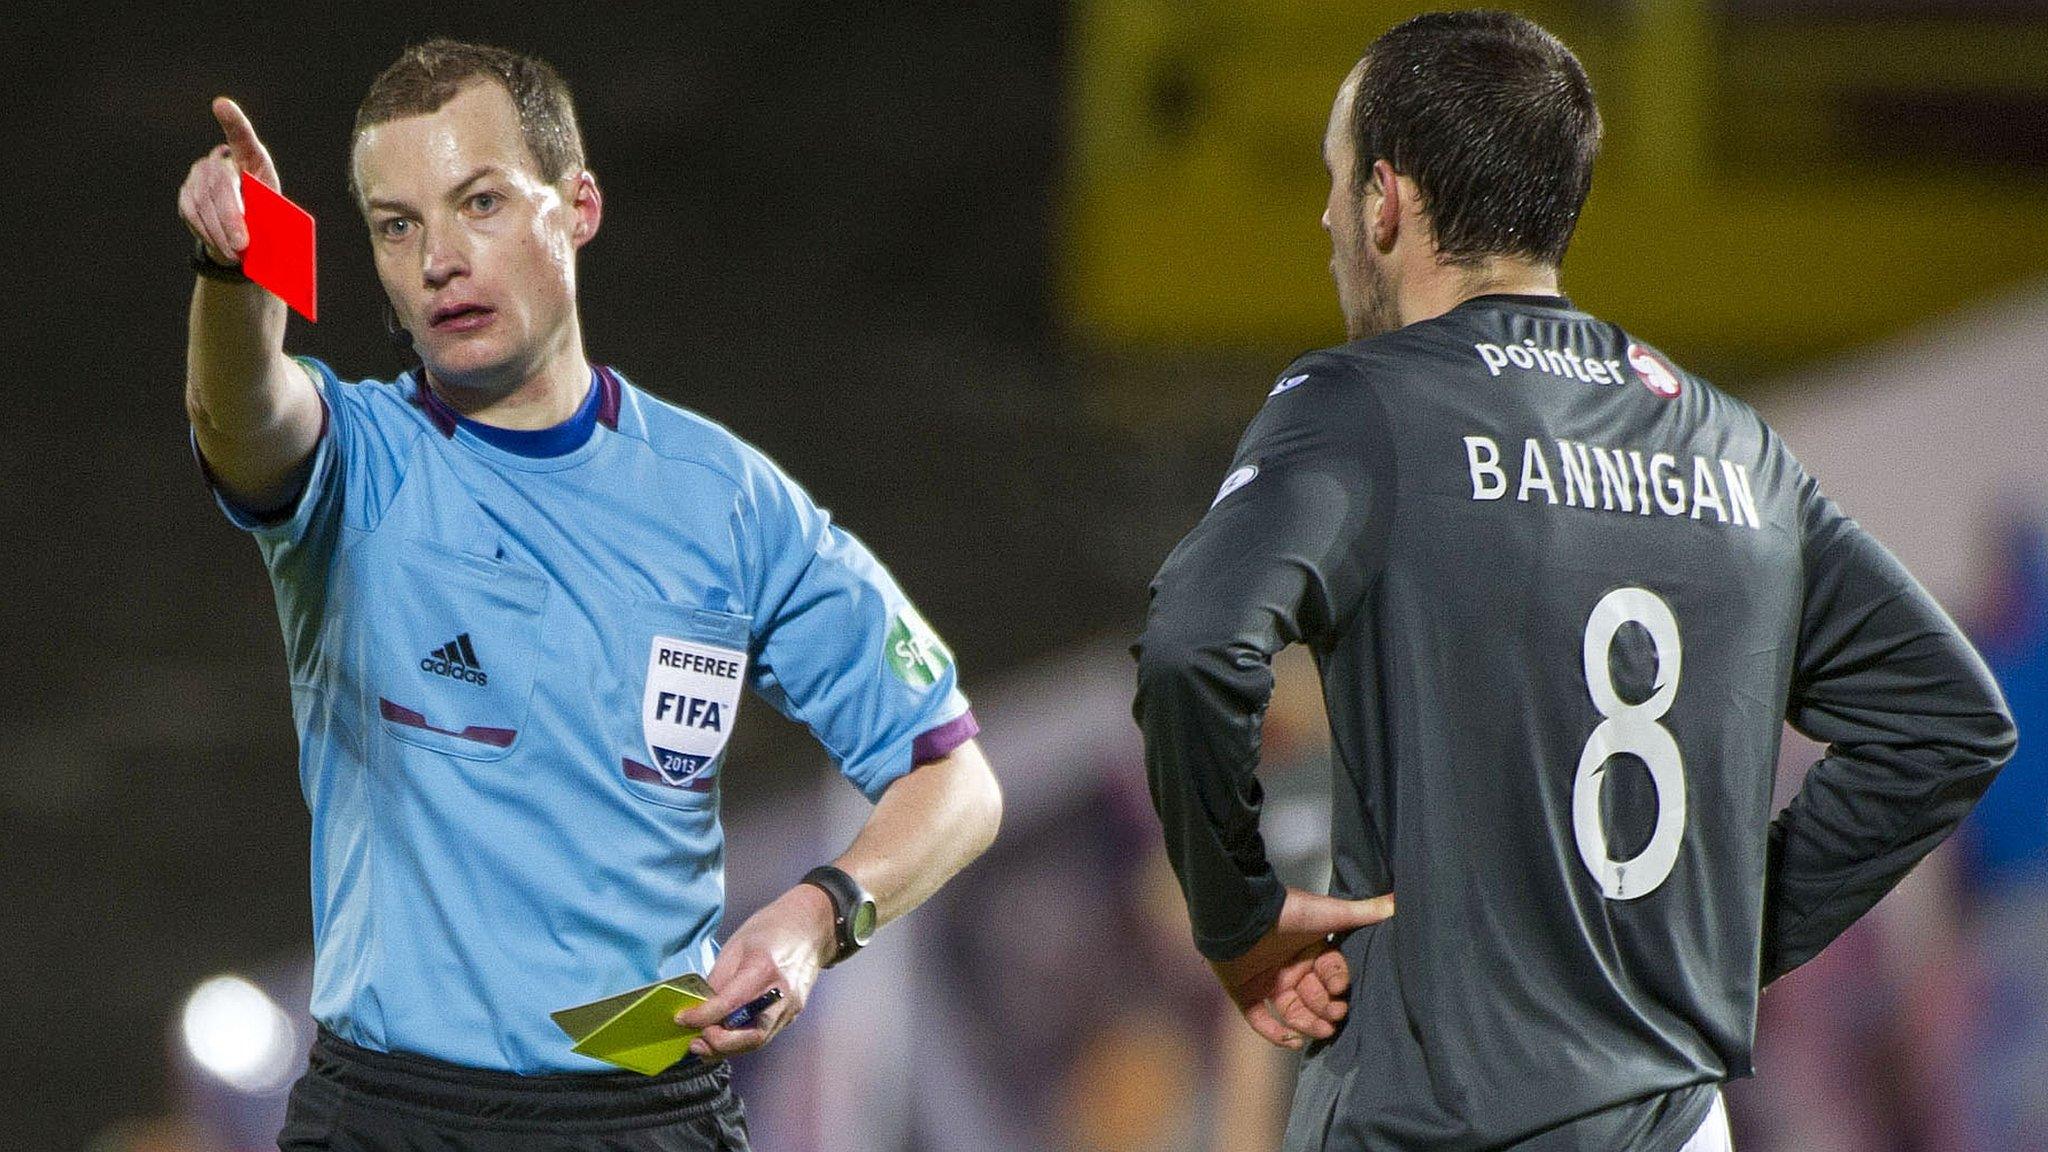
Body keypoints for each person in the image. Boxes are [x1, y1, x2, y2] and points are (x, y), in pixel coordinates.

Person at [1131, 10, 2016, 1151]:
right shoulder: (1733, 448)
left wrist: (1235, 917)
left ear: (1387, 202)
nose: (1323, 216)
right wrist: (1712, 940)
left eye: (1334, 178)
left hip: (1432, 1118)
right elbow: (1947, 721)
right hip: (1673, 1123)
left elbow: (1195, 646)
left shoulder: (1365, 408)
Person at [178, 39, 1001, 1151]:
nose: (437, 262)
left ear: (577, 208)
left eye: (478, 204)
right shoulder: (358, 463)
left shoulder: (728, 502)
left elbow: (951, 775)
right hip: (390, 1118)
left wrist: (818, 916)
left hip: (647, 1110)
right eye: (395, 225)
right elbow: (241, 413)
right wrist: (238, 267)